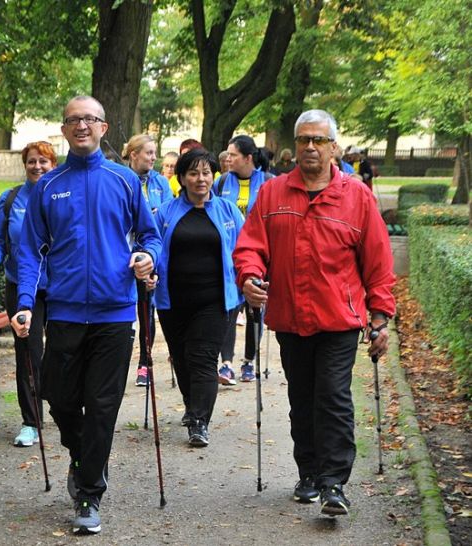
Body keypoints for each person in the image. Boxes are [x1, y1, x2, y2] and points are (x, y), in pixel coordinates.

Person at [233, 109, 395, 516]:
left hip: (339, 319)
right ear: (295, 145)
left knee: (333, 397)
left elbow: (378, 262)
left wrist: (380, 316)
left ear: (333, 147)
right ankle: (308, 473)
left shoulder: (357, 197)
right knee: (302, 398)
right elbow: (251, 245)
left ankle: (333, 482)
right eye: (304, 139)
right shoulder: (272, 194)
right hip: (290, 317)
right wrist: (249, 276)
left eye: (319, 140)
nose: (310, 146)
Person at [12, 95, 162, 535]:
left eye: (89, 119)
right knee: (58, 397)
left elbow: (151, 237)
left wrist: (147, 258)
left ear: (103, 127)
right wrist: (25, 302)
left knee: (101, 406)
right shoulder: (48, 186)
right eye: (73, 120)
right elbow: (29, 250)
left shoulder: (124, 181)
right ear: (64, 129)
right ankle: (82, 458)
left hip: (115, 314)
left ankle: (89, 493)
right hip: (64, 313)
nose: (81, 125)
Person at [154, 149, 244, 445]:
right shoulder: (166, 213)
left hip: (214, 300)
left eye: (206, 173)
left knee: (203, 358)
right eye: (193, 173)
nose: (201, 179)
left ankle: (199, 421)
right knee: (181, 359)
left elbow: (244, 250)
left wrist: (248, 281)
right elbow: (153, 247)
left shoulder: (228, 211)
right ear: (181, 178)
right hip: (173, 300)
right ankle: (192, 404)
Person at [0, 142, 57, 447]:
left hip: (61, 287)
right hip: (21, 287)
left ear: (53, 165)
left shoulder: (62, 197)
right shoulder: (11, 199)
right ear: (24, 165)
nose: (37, 166)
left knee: (63, 351)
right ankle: (31, 421)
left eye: (44, 161)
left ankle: (65, 408)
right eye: (32, 161)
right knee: (28, 354)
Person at [213, 135, 274, 386]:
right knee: (229, 308)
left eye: (233, 154)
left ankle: (248, 361)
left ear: (248, 158)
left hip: (258, 256)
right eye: (227, 154)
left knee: (254, 309)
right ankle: (226, 363)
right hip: (227, 256)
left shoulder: (268, 182)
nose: (227, 158)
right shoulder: (221, 182)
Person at [121, 134, 173, 387]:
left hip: (151, 256)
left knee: (146, 310)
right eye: (149, 153)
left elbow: (168, 219)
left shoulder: (161, 182)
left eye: (155, 153)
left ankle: (145, 363)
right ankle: (118, 363)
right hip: (124, 256)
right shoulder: (121, 178)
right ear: (134, 154)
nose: (154, 158)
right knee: (124, 312)